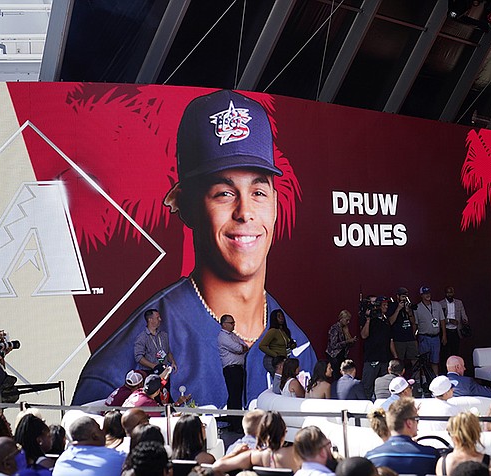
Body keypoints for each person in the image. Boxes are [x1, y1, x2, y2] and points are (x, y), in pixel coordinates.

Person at [71, 90, 317, 407]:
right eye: (224, 193)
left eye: (258, 192)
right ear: (184, 204)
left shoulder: (297, 344)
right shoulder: (120, 367)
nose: (245, 213)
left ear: (275, 205)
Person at [365, 397, 438, 476]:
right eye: (417, 419)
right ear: (409, 423)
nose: (417, 423)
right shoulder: (431, 455)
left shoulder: (371, 457)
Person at [213, 411, 299, 473]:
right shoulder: (297, 454)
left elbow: (216, 467)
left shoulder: (252, 455)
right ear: (283, 433)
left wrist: (234, 453)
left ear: (261, 432)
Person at [53, 416, 125, 476]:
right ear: (95, 436)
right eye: (99, 429)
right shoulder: (116, 457)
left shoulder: (62, 459)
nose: (103, 431)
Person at [360, 296, 394, 400]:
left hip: (384, 358)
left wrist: (395, 356)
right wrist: (368, 320)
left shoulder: (386, 320)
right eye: (384, 305)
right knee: (368, 386)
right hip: (372, 357)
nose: (386, 307)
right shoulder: (370, 318)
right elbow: (363, 335)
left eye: (387, 305)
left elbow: (390, 340)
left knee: (384, 386)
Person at [218, 313, 249, 425]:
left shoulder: (233, 335)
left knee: (235, 396)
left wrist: (242, 348)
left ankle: (233, 422)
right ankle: (236, 423)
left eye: (234, 323)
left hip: (237, 368)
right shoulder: (223, 336)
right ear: (224, 324)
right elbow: (239, 348)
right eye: (231, 323)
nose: (233, 325)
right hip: (231, 369)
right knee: (234, 396)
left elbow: (245, 345)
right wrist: (242, 348)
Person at [135, 309, 178, 374]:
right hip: (149, 372)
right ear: (150, 320)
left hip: (164, 371)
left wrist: (172, 362)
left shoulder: (164, 335)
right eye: (157, 318)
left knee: (165, 384)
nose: (160, 319)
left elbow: (167, 351)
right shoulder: (142, 337)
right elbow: (138, 357)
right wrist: (154, 366)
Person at [413, 286, 445, 375]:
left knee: (435, 361)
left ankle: (436, 380)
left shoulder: (437, 305)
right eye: (425, 293)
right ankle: (424, 381)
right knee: (424, 361)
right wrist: (414, 338)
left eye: (428, 293)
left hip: (436, 337)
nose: (427, 295)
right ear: (421, 295)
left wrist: (444, 335)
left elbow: (442, 320)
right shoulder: (417, 307)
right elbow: (415, 324)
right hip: (424, 337)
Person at [387, 287, 418, 374]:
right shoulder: (392, 306)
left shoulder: (408, 305)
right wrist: (398, 309)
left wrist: (409, 312)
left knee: (415, 359)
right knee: (399, 361)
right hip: (398, 339)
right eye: (403, 296)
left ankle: (416, 380)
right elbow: (390, 322)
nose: (404, 299)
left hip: (409, 337)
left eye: (406, 297)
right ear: (398, 296)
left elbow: (413, 322)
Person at [260, 309, 298, 376]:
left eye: (282, 316)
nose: (281, 318)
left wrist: (292, 345)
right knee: (279, 379)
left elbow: (287, 344)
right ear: (274, 318)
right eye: (278, 316)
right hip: (273, 360)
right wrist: (275, 354)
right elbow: (262, 346)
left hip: (283, 359)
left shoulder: (285, 331)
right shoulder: (273, 331)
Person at [439, 287, 469, 363]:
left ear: (453, 293)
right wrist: (449, 320)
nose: (449, 294)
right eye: (447, 293)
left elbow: (463, 314)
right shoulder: (440, 304)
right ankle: (445, 371)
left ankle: (455, 369)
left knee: (455, 352)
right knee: (445, 353)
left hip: (456, 331)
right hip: (445, 331)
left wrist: (465, 320)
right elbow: (439, 319)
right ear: (445, 293)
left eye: (451, 292)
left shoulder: (459, 303)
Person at [326, 310, 358, 379]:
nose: (348, 322)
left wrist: (351, 341)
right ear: (341, 318)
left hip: (342, 356)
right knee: (336, 376)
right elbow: (333, 345)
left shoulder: (345, 329)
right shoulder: (335, 328)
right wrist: (347, 341)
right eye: (347, 320)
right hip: (334, 356)